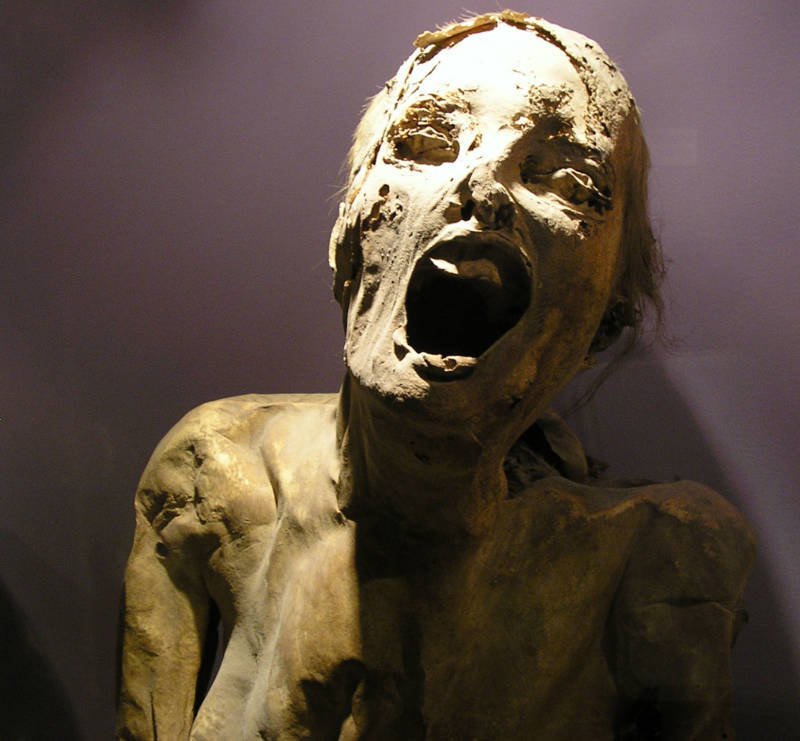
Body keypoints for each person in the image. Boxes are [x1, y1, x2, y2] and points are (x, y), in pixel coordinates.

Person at [117, 12, 754, 739]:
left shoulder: (661, 562)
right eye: (427, 144)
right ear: (348, 236)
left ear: (603, 321)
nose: (483, 184)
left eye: (567, 179)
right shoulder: (214, 475)